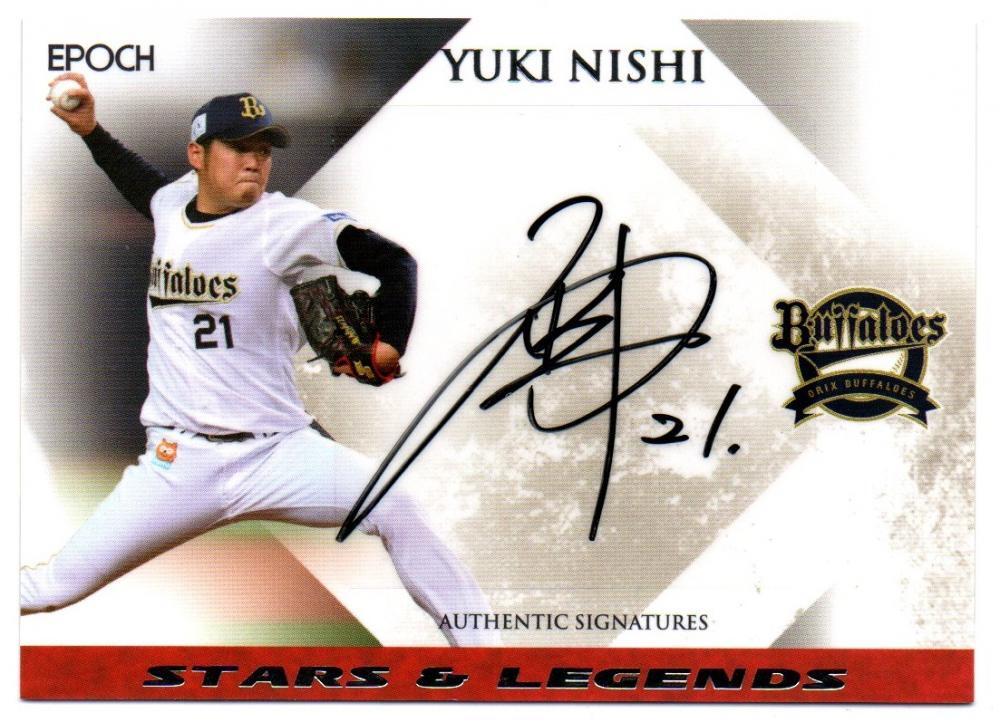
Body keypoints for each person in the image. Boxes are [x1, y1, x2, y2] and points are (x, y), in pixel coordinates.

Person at [21, 73, 498, 647]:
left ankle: (487, 659)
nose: (254, 161)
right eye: (239, 147)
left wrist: (391, 342)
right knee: (52, 587)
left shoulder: (285, 223)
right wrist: (91, 131)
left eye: (264, 150)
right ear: (197, 156)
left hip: (279, 452)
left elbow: (395, 263)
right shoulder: (172, 204)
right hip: (180, 463)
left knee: (394, 503)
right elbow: (141, 184)